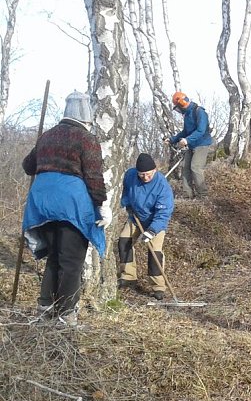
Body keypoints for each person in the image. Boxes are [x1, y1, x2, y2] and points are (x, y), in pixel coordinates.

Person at [21, 91, 110, 327]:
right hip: (71, 203)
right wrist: (102, 204)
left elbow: (28, 166)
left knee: (54, 257)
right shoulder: (86, 138)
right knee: (71, 261)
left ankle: (45, 307)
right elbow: (93, 175)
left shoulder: (47, 136)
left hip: (42, 203)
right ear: (87, 115)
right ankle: (66, 314)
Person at [117, 153, 175, 300]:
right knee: (124, 241)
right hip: (136, 218)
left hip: (155, 222)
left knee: (154, 252)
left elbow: (163, 213)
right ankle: (128, 276)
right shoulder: (130, 175)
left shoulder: (162, 186)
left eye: (148, 174)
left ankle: (158, 286)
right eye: (141, 174)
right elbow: (125, 190)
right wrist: (126, 203)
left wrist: (152, 230)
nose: (145, 177)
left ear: (154, 170)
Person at [166, 91, 212, 199]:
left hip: (202, 144)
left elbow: (201, 130)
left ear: (182, 104)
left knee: (195, 167)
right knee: (185, 168)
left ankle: (203, 196)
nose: (178, 110)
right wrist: (172, 139)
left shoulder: (199, 112)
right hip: (191, 145)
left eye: (178, 107)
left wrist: (187, 140)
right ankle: (188, 195)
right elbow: (185, 131)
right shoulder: (187, 115)